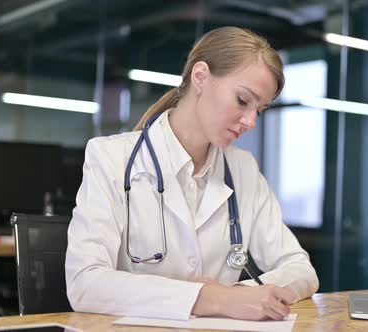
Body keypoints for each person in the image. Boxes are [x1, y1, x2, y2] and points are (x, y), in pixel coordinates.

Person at [65, 26, 319, 321]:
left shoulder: (242, 168)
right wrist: (210, 299)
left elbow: (300, 269)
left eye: (259, 110)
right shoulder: (111, 158)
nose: (250, 121)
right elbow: (84, 284)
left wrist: (234, 296)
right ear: (200, 77)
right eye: (242, 100)